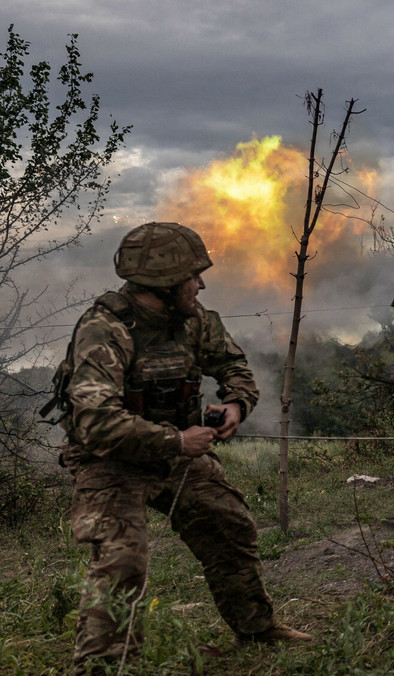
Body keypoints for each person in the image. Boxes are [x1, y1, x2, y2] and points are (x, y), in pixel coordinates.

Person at [49, 222, 313, 673]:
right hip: (110, 462)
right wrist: (177, 439)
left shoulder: (195, 321)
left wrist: (236, 403)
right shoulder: (105, 329)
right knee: (121, 561)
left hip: (177, 455)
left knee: (230, 525)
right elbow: (95, 424)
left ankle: (255, 627)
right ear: (165, 283)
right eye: (193, 276)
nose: (201, 283)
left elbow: (232, 363)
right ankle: (102, 667)